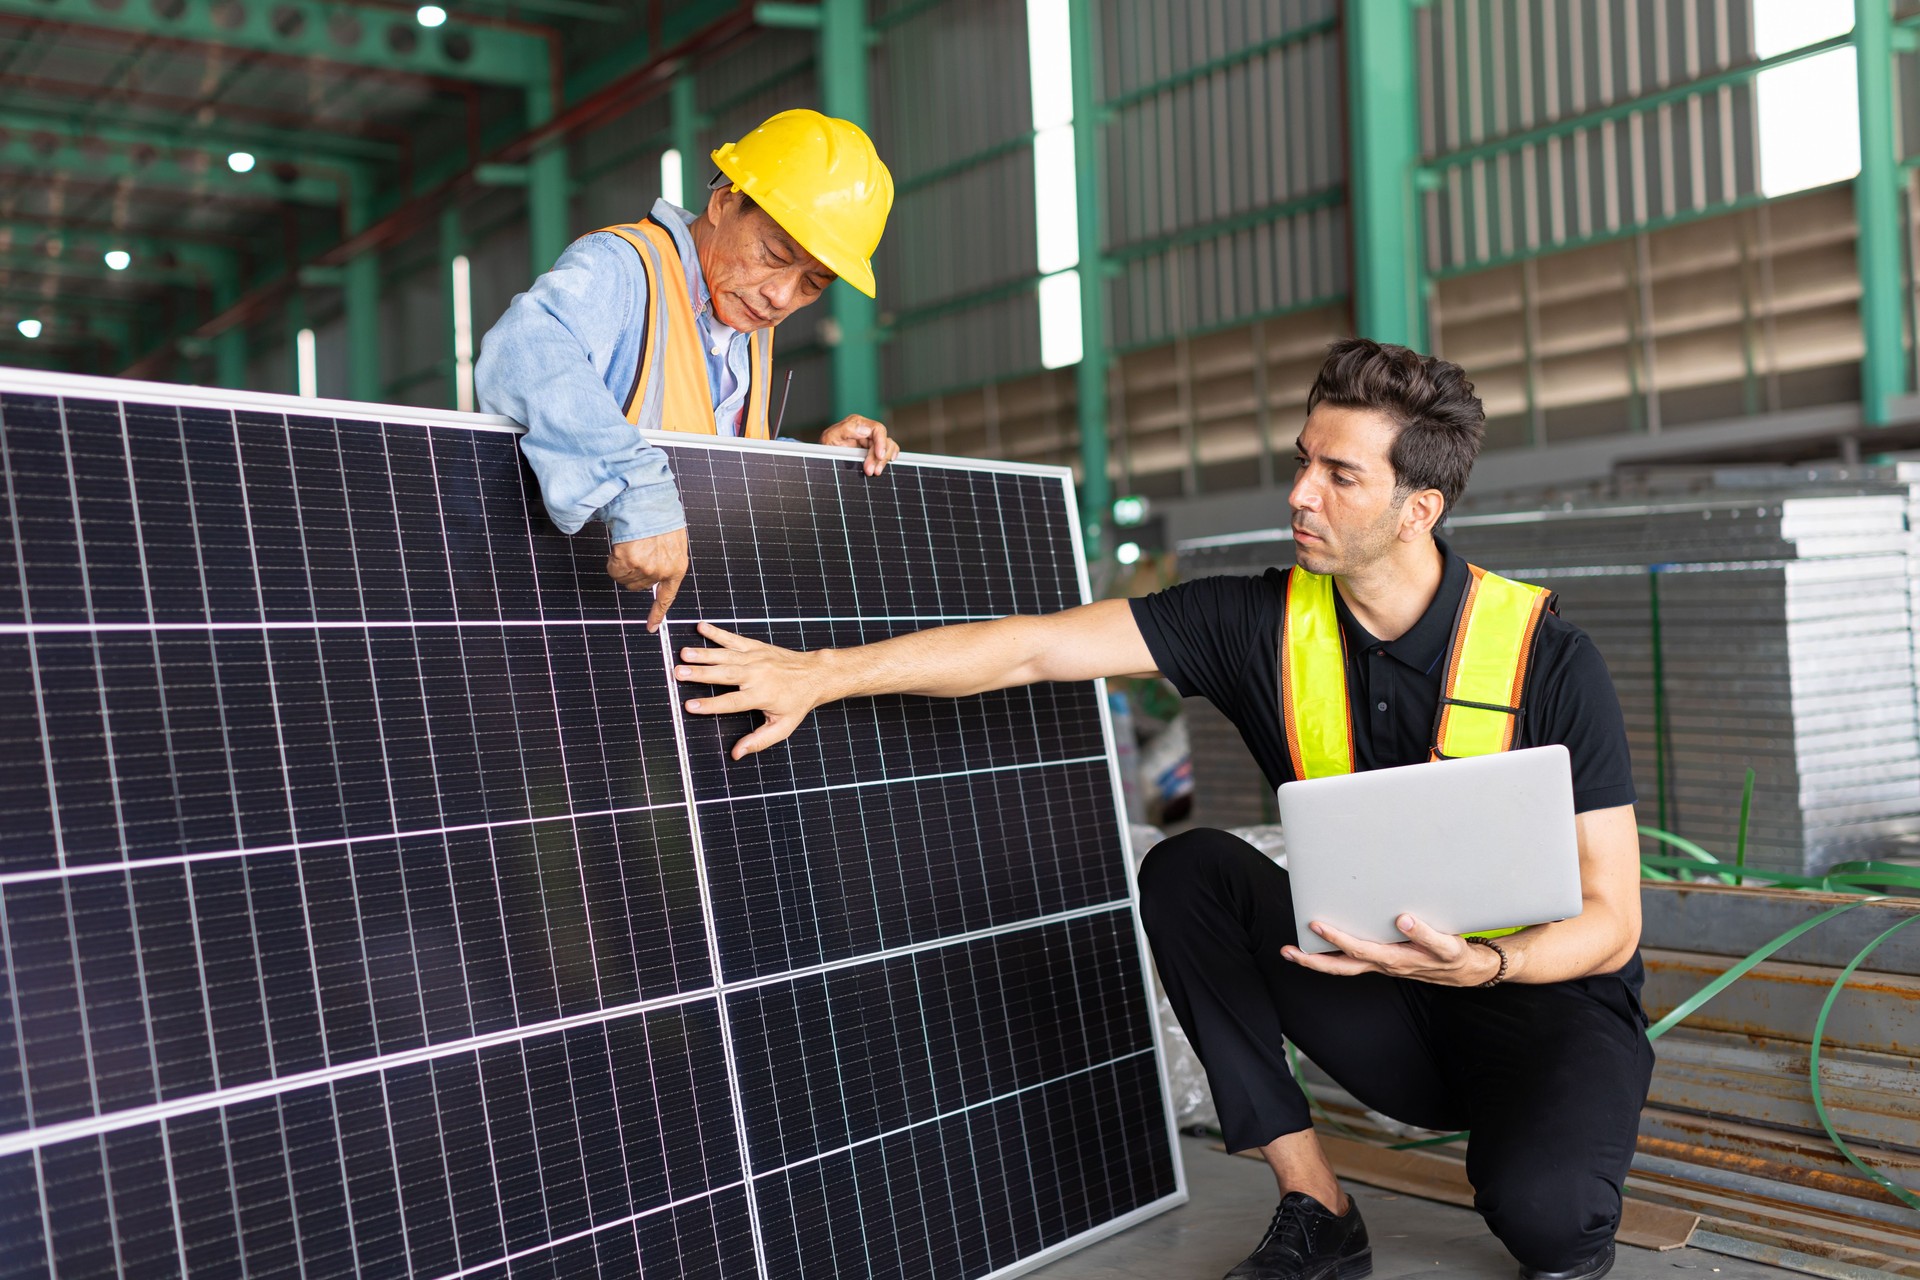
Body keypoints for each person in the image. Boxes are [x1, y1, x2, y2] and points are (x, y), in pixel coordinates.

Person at [667, 339, 1651, 1280]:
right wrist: (820, 673)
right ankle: (1318, 1207)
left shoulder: (1546, 657)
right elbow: (1032, 648)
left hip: (1541, 1003)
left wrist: (1482, 960)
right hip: (1379, 998)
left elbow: (1613, 923)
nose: (1300, 492)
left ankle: (1535, 1149)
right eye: (1303, 459)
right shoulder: (1257, 620)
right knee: (1190, 871)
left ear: (1416, 507)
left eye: (1340, 476)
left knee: (1551, 1227)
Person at [475, 108, 901, 630]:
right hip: (554, 605)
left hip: (653, 621)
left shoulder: (746, 330)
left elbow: (709, 465)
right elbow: (524, 347)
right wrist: (634, 487)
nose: (780, 296)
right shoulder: (624, 266)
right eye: (773, 253)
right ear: (724, 202)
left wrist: (808, 465)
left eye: (813, 284)